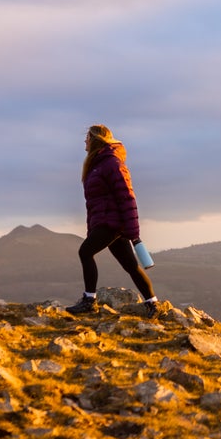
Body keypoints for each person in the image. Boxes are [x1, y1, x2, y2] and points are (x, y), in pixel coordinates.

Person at [66, 124, 159, 317]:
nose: (84, 141)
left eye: (87, 138)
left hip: (112, 222)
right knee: (131, 266)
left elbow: (127, 197)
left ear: (96, 140)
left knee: (85, 252)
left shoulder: (111, 164)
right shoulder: (98, 164)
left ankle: (89, 300)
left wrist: (133, 233)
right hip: (107, 221)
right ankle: (153, 305)